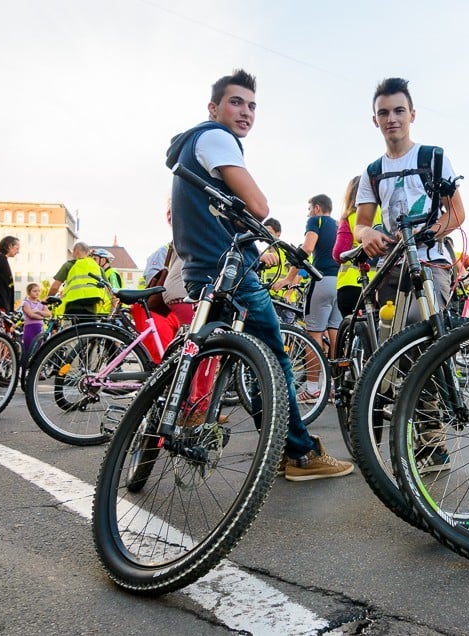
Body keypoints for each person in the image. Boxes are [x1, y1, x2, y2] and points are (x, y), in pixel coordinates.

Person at [165, 68, 351, 481]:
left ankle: (163, 425)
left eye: (252, 105)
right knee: (275, 361)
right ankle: (300, 454)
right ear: (213, 108)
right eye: (236, 102)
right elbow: (259, 205)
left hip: (200, 269)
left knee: (202, 354)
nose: (246, 112)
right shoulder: (215, 137)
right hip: (228, 270)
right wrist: (259, 234)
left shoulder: (185, 149)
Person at [354, 77, 467, 333]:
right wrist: (367, 233)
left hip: (430, 261)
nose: (391, 118)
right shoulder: (373, 171)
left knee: (422, 326)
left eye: (399, 111)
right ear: (375, 120)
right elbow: (360, 224)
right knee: (391, 339)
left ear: (412, 115)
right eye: (383, 113)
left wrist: (425, 233)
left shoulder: (431, 158)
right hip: (390, 266)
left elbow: (457, 213)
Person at [274, 194, 341, 403]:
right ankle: (334, 387)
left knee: (314, 336)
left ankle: (312, 388)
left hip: (320, 281)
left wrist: (289, 277)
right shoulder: (339, 225)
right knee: (335, 335)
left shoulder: (316, 221)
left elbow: (308, 248)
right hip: (339, 281)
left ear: (318, 208)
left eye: (309, 208)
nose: (308, 212)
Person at [333, 175, 381, 319]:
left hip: (351, 284)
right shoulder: (385, 213)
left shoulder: (350, 216)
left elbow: (339, 253)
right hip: (381, 282)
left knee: (355, 333)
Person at [48, 241, 106, 320]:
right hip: (92, 306)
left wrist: (47, 299)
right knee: (88, 330)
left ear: (76, 251)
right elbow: (108, 289)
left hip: (73, 306)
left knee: (71, 330)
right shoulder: (97, 267)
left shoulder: (69, 265)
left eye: (73, 252)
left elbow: (55, 287)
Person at [20, 282, 51, 358]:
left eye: (38, 291)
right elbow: (31, 315)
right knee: (28, 347)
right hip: (29, 328)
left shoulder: (41, 303)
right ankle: (25, 365)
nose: (37, 293)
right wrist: (42, 317)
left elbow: (48, 314)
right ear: (29, 292)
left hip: (39, 327)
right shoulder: (26, 303)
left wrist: (38, 312)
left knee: (38, 348)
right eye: (34, 291)